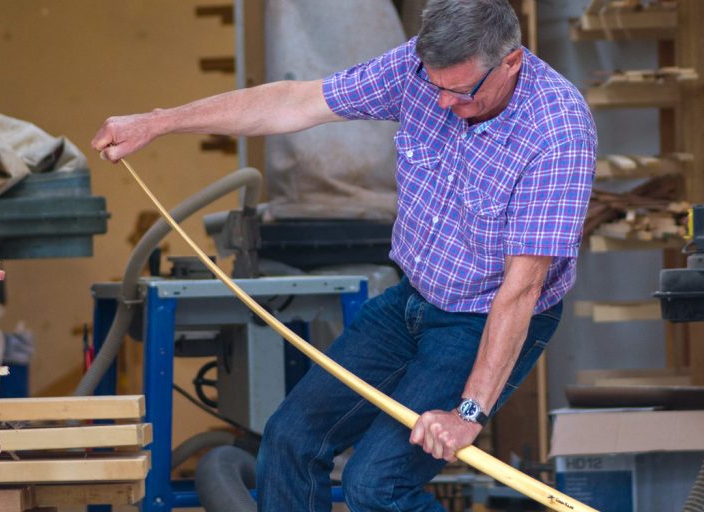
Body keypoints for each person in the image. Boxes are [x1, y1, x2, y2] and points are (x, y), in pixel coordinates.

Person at [92, 0, 596, 510]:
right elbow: (293, 102)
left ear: (510, 62)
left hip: (487, 316)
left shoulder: (557, 131)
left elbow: (522, 289)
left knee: (376, 484)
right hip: (413, 299)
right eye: (434, 86)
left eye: (461, 91)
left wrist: (468, 412)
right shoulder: (417, 70)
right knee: (289, 441)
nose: (442, 103)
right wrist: (158, 123)